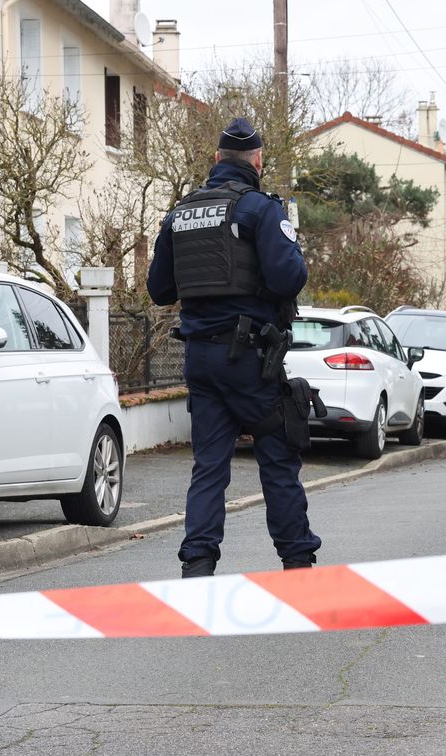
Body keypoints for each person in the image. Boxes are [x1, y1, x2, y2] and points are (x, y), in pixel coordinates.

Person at [145, 117, 322, 578]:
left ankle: (197, 564)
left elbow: (160, 290)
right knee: (278, 453)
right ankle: (298, 560)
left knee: (209, 465)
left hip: (200, 358)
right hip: (249, 358)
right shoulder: (261, 210)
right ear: (257, 162)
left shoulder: (180, 213)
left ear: (217, 160)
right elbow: (289, 277)